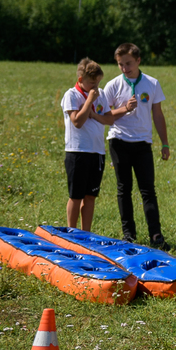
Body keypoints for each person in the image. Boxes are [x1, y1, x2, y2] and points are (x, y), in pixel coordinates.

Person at [101, 43, 171, 249]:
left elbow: (158, 115)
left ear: (138, 61)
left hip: (142, 143)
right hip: (119, 141)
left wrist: (165, 143)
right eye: (121, 64)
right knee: (124, 189)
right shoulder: (113, 85)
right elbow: (105, 117)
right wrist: (124, 109)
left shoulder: (152, 83)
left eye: (129, 63)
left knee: (148, 189)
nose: (125, 68)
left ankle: (156, 235)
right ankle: (128, 235)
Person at [61, 58, 116, 232]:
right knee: (76, 196)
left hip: (97, 152)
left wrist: (94, 114)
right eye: (92, 83)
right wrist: (89, 101)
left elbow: (109, 118)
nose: (96, 87)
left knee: (90, 196)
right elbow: (77, 121)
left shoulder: (100, 95)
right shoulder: (71, 95)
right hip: (77, 151)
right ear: (80, 80)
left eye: (98, 82)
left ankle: (85, 234)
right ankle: (71, 233)